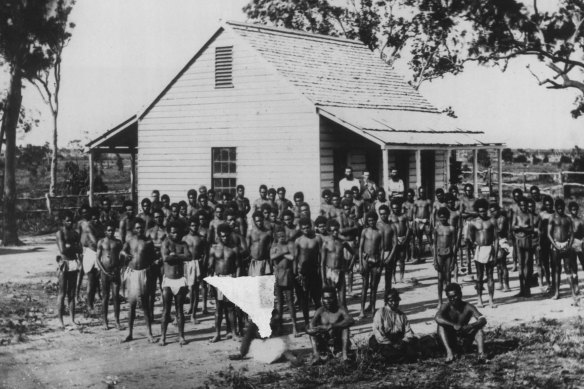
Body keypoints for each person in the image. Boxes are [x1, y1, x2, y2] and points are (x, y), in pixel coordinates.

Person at [120, 218, 157, 343]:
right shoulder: (130, 241)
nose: (139, 230)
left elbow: (153, 259)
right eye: (137, 228)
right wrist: (125, 255)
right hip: (132, 273)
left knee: (145, 304)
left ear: (144, 228)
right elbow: (122, 251)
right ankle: (129, 333)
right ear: (134, 229)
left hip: (143, 273)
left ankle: (149, 333)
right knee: (132, 304)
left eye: (141, 227)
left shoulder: (148, 242)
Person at [435, 283, 487, 363]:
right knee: (440, 326)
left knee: (478, 329)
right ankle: (449, 352)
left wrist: (471, 326)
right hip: (450, 339)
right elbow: (437, 318)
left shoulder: (468, 306)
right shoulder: (445, 306)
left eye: (455, 296)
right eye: (450, 297)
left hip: (464, 337)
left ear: (460, 294)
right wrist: (453, 325)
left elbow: (482, 319)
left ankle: (481, 354)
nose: (453, 299)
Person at [160, 222, 191, 346]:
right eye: (173, 232)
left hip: (180, 279)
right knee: (166, 310)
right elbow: (165, 258)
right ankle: (163, 337)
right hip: (168, 280)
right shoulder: (166, 243)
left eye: (177, 232)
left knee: (180, 310)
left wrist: (175, 255)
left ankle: (181, 336)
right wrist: (180, 256)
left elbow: (189, 256)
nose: (175, 234)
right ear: (168, 232)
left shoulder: (183, 244)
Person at [209, 224, 241, 342]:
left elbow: (238, 266)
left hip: (230, 278)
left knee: (231, 308)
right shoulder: (214, 249)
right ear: (219, 236)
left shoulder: (234, 249)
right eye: (222, 236)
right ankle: (217, 334)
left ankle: (233, 333)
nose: (225, 238)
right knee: (218, 308)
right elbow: (210, 266)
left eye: (227, 236)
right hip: (218, 279)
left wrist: (236, 280)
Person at [307, 287, 354, 363]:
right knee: (312, 330)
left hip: (338, 343)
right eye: (325, 298)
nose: (328, 301)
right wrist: (315, 329)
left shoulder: (340, 309)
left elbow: (351, 320)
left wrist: (332, 326)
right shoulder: (320, 311)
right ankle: (317, 355)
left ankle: (345, 356)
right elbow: (311, 324)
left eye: (330, 298)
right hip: (324, 342)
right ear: (322, 299)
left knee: (345, 327)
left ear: (335, 298)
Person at [369, 289, 417, 362]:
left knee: (413, 346)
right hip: (384, 341)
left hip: (398, 340)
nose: (394, 303)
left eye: (396, 300)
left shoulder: (402, 315)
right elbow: (378, 333)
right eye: (391, 301)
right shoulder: (380, 313)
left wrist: (403, 342)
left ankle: (399, 357)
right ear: (387, 301)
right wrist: (390, 344)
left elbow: (408, 332)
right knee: (385, 350)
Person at [469, 199, 499, 308]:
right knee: (479, 276)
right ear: (477, 211)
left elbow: (496, 239)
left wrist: (495, 254)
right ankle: (479, 299)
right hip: (479, 250)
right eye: (480, 211)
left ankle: (491, 300)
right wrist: (474, 251)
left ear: (487, 210)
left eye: (484, 211)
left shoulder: (492, 221)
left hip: (489, 249)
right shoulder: (473, 222)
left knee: (490, 275)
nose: (482, 213)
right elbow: (470, 239)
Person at [56, 211, 83, 329]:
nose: (70, 222)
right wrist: (74, 248)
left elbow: (80, 249)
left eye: (71, 220)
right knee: (62, 293)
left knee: (72, 293)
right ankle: (60, 320)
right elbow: (63, 250)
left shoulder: (75, 234)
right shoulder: (60, 233)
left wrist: (71, 247)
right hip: (64, 263)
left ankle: (72, 319)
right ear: (63, 221)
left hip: (73, 263)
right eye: (67, 220)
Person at [270, 226, 299, 336]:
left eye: (283, 236)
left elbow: (292, 257)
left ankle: (295, 327)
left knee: (290, 302)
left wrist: (282, 253)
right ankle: (279, 327)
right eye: (279, 236)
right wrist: (283, 253)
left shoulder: (289, 245)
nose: (282, 238)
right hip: (278, 276)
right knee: (280, 303)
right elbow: (272, 257)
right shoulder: (274, 247)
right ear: (276, 237)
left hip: (288, 275)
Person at [294, 217, 323, 326]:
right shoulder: (298, 240)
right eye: (303, 228)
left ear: (310, 227)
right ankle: (307, 322)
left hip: (314, 272)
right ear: (301, 229)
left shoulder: (317, 239)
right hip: (303, 274)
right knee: (304, 300)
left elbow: (321, 256)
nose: (306, 229)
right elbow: (296, 258)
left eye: (307, 227)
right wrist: (296, 273)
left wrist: (321, 271)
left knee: (317, 299)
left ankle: (318, 321)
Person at [95, 222, 123, 330]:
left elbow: (122, 256)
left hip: (115, 272)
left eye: (112, 230)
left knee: (116, 296)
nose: (111, 232)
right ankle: (105, 321)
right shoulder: (101, 242)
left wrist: (119, 268)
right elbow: (97, 258)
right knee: (105, 297)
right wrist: (103, 271)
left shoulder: (118, 242)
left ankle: (117, 321)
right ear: (105, 231)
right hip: (105, 272)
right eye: (109, 230)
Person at [321, 219, 355, 306]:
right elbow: (323, 263)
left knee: (342, 299)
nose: (335, 232)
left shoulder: (342, 242)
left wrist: (350, 266)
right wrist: (324, 280)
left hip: (340, 272)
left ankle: (344, 316)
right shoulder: (326, 244)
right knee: (332, 298)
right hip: (330, 272)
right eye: (333, 231)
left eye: (337, 230)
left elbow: (354, 254)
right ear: (329, 231)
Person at [548, 199, 576, 301]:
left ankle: (573, 292)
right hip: (556, 246)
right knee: (556, 269)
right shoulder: (552, 218)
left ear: (564, 207)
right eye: (558, 207)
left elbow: (572, 234)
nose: (560, 209)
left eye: (561, 207)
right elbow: (549, 234)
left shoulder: (567, 219)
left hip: (565, 245)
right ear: (555, 207)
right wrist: (555, 245)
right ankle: (556, 292)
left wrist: (569, 246)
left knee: (568, 269)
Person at [358, 212, 383, 319]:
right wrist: (360, 263)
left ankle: (373, 310)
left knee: (374, 286)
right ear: (367, 221)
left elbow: (382, 249)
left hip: (376, 259)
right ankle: (362, 311)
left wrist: (380, 265)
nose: (371, 222)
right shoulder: (365, 231)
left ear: (376, 220)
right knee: (365, 286)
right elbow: (360, 248)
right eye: (369, 220)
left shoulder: (379, 232)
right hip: (365, 259)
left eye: (373, 220)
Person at [182, 216, 207, 324]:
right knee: (183, 290)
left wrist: (203, 263)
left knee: (195, 290)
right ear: (189, 226)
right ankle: (181, 314)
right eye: (192, 225)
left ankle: (193, 315)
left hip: (197, 263)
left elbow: (205, 253)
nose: (194, 227)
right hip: (186, 264)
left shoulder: (201, 238)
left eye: (196, 225)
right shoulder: (184, 238)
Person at [77, 204, 100, 314]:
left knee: (95, 281)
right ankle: (89, 305)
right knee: (90, 280)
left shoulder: (98, 226)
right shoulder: (88, 226)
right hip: (90, 253)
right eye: (93, 218)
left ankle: (91, 303)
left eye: (97, 218)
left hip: (97, 253)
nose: (95, 220)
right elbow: (95, 242)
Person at [433, 207, 457, 307]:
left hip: (448, 254)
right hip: (439, 254)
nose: (443, 219)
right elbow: (434, 244)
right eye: (441, 217)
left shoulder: (451, 228)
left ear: (447, 217)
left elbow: (454, 244)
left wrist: (453, 260)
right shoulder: (436, 228)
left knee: (448, 278)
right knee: (439, 278)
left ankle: (449, 300)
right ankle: (439, 301)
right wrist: (434, 259)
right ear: (438, 217)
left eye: (444, 217)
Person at [512, 197, 534, 298]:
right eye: (522, 205)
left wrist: (525, 229)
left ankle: (527, 288)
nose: (524, 207)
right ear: (519, 206)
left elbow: (532, 228)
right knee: (520, 264)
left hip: (527, 240)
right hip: (518, 240)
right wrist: (519, 228)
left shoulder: (529, 214)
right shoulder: (516, 214)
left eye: (525, 205)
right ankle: (522, 289)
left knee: (527, 264)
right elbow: (513, 226)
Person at [145, 209, 166, 313]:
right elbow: (145, 247)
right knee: (151, 289)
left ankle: (166, 313)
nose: (158, 219)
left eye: (160, 216)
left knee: (164, 288)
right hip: (152, 262)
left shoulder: (166, 231)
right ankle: (150, 313)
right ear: (153, 218)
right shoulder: (149, 231)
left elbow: (168, 247)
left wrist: (162, 258)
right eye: (156, 217)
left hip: (163, 262)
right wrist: (150, 260)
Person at [488, 203, 511, 292]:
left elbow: (499, 230)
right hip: (494, 241)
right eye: (491, 211)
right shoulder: (493, 218)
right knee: (497, 264)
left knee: (502, 263)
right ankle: (500, 283)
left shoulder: (502, 218)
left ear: (498, 210)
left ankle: (506, 285)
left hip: (502, 241)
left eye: (494, 211)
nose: (492, 213)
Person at [377, 205, 397, 298]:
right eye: (381, 214)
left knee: (388, 279)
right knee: (375, 280)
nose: (383, 216)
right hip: (378, 255)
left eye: (385, 214)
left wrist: (390, 256)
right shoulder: (376, 226)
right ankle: (372, 304)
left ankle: (386, 300)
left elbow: (395, 243)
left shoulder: (392, 226)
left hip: (389, 253)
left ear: (388, 214)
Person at [389, 199, 410, 283]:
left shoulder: (404, 216)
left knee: (402, 259)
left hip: (403, 239)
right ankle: (393, 277)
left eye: (397, 208)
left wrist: (405, 238)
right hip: (394, 240)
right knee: (393, 260)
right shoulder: (390, 217)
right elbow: (388, 229)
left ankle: (401, 277)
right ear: (391, 208)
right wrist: (393, 239)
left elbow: (408, 228)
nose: (396, 209)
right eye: (394, 208)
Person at [247, 211, 272, 276]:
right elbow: (247, 247)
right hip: (253, 262)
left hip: (264, 262)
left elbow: (271, 247)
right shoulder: (250, 233)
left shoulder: (268, 233)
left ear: (263, 220)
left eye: (261, 220)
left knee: (265, 283)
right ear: (254, 221)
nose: (259, 222)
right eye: (257, 221)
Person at [460, 184, 477, 275]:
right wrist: (470, 214)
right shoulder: (462, 200)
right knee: (467, 246)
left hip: (475, 224)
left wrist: (469, 213)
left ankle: (478, 266)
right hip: (466, 224)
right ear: (464, 191)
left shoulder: (476, 200)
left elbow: (478, 213)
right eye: (467, 190)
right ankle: (469, 268)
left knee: (475, 246)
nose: (468, 192)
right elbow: (461, 213)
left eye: (470, 190)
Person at [445, 193, 463, 283]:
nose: (450, 204)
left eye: (452, 202)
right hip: (444, 238)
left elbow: (460, 228)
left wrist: (458, 241)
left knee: (454, 258)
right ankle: (447, 280)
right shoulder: (443, 212)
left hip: (454, 238)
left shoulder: (457, 213)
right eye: (448, 202)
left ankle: (455, 280)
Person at [538, 195, 555, 291]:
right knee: (545, 263)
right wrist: (539, 243)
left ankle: (554, 283)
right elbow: (539, 229)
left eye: (550, 205)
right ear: (545, 205)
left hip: (553, 240)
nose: (549, 206)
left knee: (554, 263)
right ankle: (548, 282)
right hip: (544, 240)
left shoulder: (555, 214)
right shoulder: (542, 214)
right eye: (547, 205)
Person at [413, 186, 433, 262]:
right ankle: (418, 257)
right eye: (420, 192)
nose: (422, 194)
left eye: (423, 192)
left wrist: (431, 224)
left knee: (430, 240)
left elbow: (431, 213)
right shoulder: (416, 202)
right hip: (418, 222)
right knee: (419, 240)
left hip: (426, 222)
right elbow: (414, 214)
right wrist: (414, 224)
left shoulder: (428, 201)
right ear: (418, 193)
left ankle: (434, 257)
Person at [507, 188, 524, 272]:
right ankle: (514, 264)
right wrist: (510, 231)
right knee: (515, 247)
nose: (517, 198)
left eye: (518, 196)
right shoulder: (512, 207)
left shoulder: (524, 205)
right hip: (515, 229)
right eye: (515, 196)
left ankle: (522, 264)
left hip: (523, 228)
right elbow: (509, 219)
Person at [568, 201, 584, 273]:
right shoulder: (567, 220)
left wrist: (581, 241)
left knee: (583, 261)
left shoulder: (580, 221)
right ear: (570, 210)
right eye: (573, 209)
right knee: (573, 264)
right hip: (570, 243)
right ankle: (575, 282)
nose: (574, 211)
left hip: (579, 243)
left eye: (576, 209)